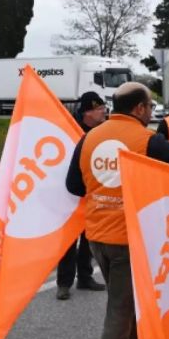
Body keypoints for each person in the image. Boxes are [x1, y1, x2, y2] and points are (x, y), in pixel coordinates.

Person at [65, 82, 169, 339]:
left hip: (97, 238)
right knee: (120, 315)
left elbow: (74, 186)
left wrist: (105, 190)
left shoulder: (89, 138)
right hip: (127, 240)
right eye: (151, 105)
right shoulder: (145, 139)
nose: (152, 111)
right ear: (139, 108)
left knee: (130, 306)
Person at [56, 92, 108, 301]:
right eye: (98, 108)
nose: (103, 111)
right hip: (72, 192)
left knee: (89, 239)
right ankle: (63, 283)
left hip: (93, 192)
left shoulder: (104, 131)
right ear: (87, 112)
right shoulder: (72, 131)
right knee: (69, 240)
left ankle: (85, 277)